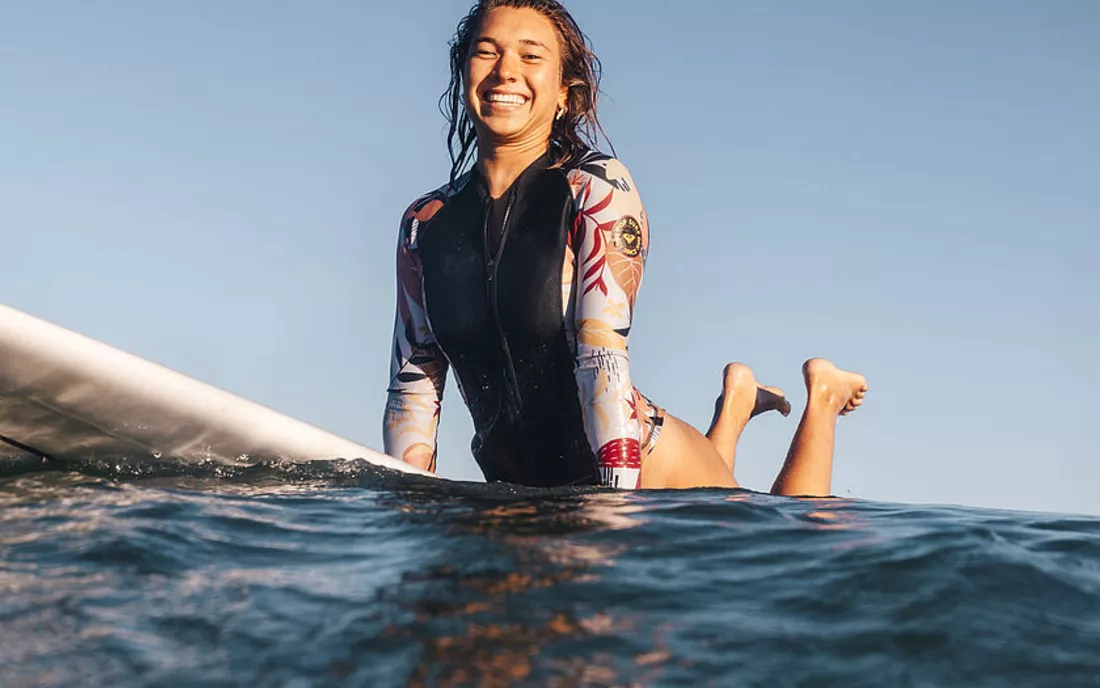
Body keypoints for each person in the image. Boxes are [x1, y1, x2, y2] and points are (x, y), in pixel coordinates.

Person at [383, 0, 868, 494]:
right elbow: (412, 385)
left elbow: (602, 362)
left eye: (531, 57)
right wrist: (407, 510)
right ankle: (737, 403)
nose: (506, 71)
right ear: (463, 70)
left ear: (563, 96)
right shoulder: (425, 224)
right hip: (530, 490)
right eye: (487, 52)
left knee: (781, 540)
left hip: (645, 473)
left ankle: (823, 396)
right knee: (723, 508)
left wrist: (614, 511)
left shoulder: (595, 188)